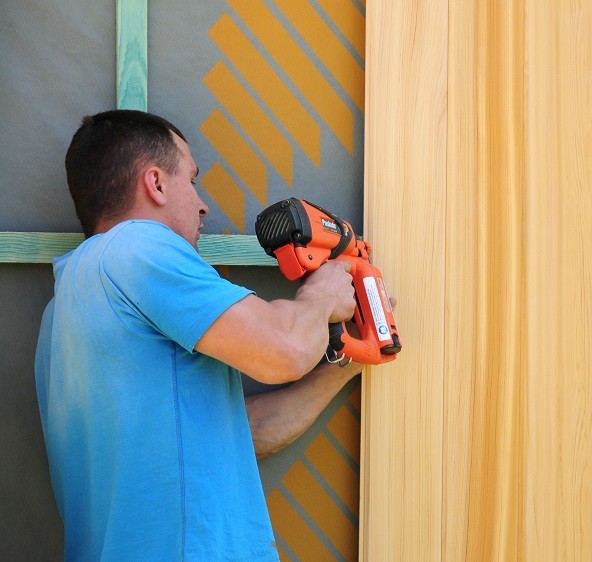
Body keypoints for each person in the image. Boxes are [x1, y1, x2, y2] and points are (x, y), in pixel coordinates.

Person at [34, 109, 364, 561]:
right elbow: (283, 350)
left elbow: (236, 433)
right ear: (155, 184)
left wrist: (346, 365)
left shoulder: (63, 312)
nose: (203, 203)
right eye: (191, 179)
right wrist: (322, 296)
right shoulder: (137, 247)